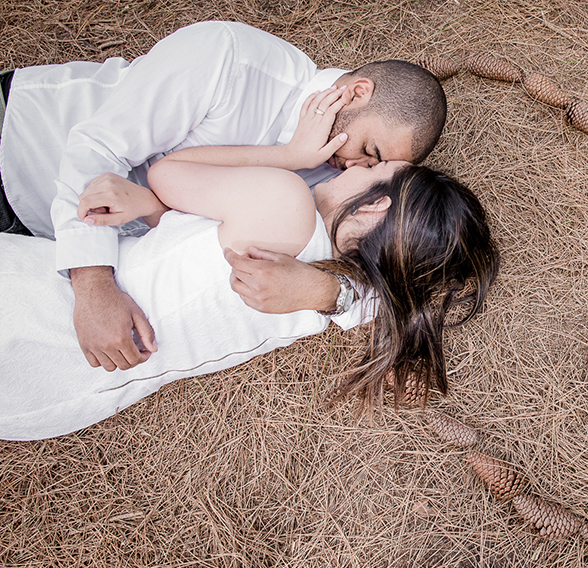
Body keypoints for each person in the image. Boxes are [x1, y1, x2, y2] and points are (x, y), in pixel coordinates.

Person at [0, 89, 500, 441]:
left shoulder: (285, 202)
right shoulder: (326, 295)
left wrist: (288, 157)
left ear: (375, 207)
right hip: (55, 397)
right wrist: (154, 214)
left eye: (373, 168)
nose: (354, 165)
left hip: (33, 307)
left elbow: (168, 170)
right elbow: (188, 272)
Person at [0, 20, 446, 372]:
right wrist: (93, 283)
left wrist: (327, 291)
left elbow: (394, 273)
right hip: (20, 151)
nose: (359, 169)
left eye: (372, 167)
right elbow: (97, 149)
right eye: (369, 152)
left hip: (43, 246)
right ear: (356, 92)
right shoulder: (229, 58)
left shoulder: (332, 182)